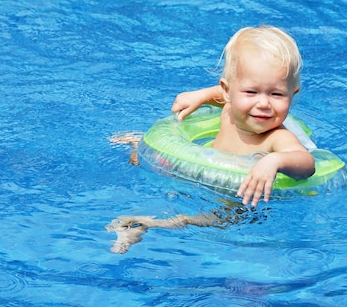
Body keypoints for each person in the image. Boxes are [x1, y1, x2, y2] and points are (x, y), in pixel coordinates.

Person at [107, 25, 313, 253]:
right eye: (252, 93)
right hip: (197, 178)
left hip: (234, 202)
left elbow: (306, 164)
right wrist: (203, 96)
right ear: (228, 92)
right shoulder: (228, 111)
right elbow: (227, 94)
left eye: (276, 94)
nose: (263, 104)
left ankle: (143, 224)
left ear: (292, 94)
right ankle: (138, 144)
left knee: (222, 221)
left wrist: (275, 161)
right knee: (143, 158)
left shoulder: (276, 137)